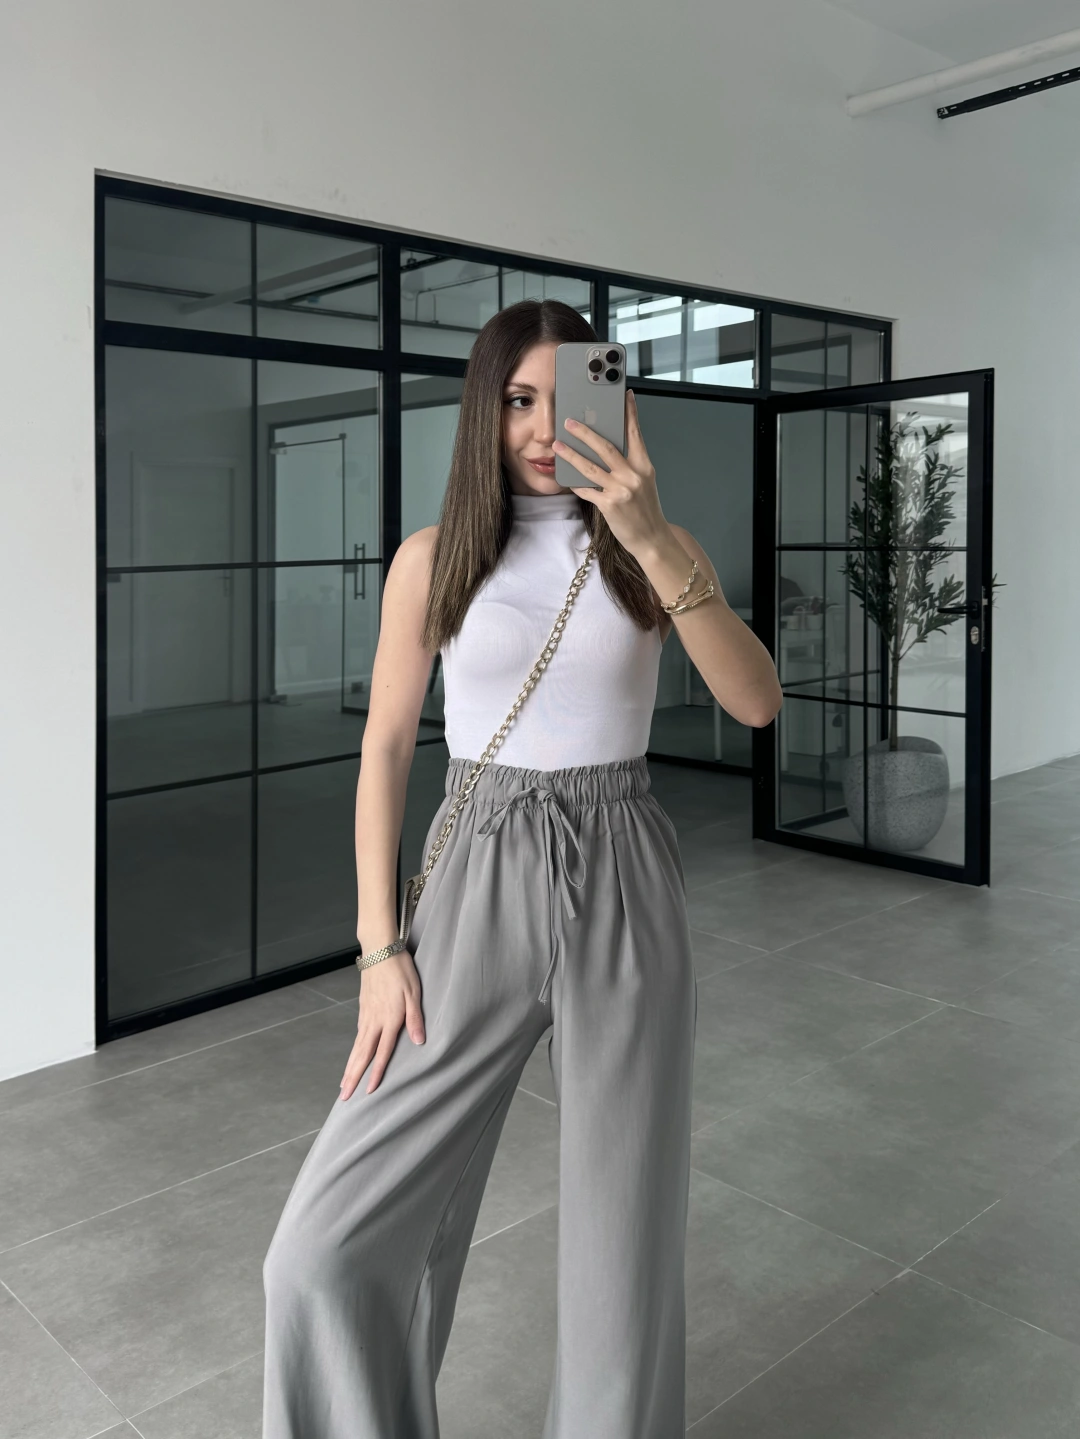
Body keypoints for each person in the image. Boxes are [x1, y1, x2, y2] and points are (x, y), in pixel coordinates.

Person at [261, 298, 783, 1438]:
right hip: (476, 871)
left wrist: (650, 535)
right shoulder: (432, 560)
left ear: (615, 403)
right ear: (484, 411)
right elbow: (384, 748)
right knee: (322, 1247)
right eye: (518, 399)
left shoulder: (657, 549)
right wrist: (378, 949)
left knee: (623, 1239)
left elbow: (755, 702)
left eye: (569, 396)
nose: (546, 429)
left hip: (624, 867)